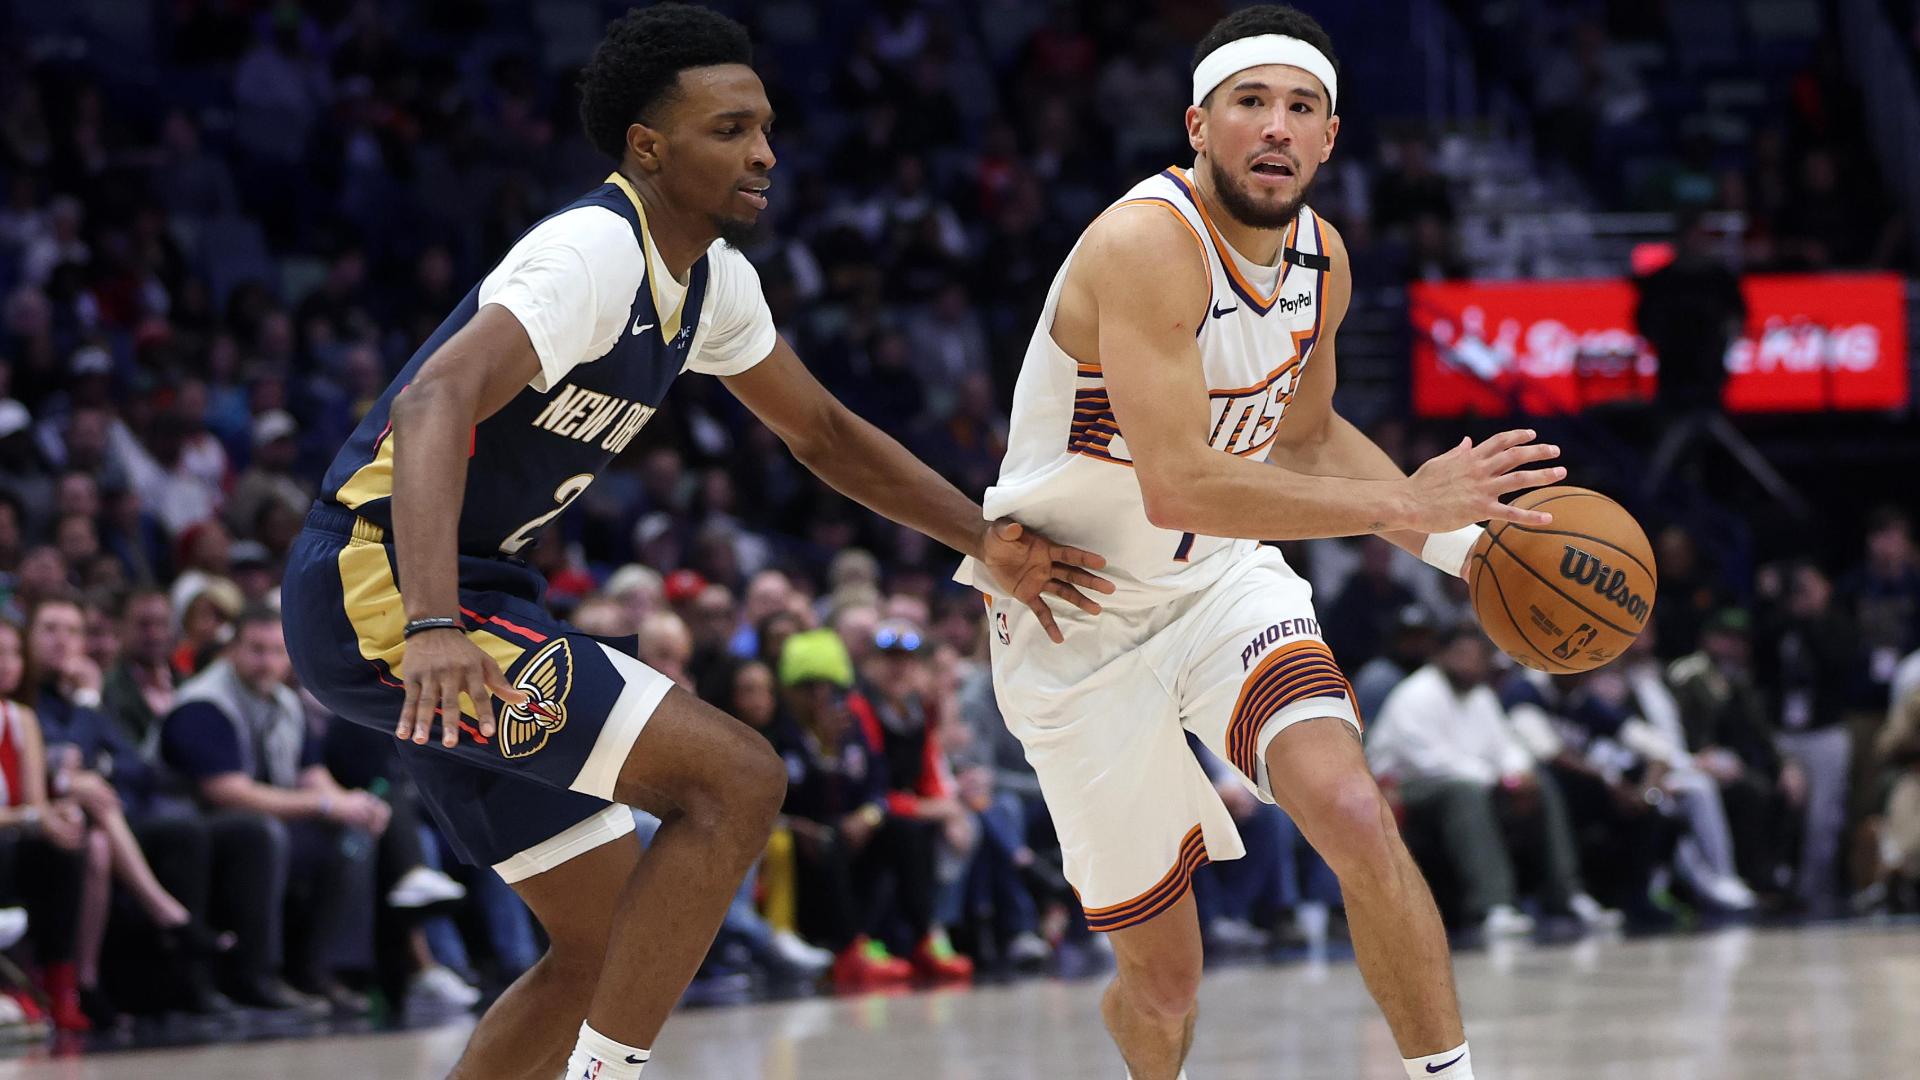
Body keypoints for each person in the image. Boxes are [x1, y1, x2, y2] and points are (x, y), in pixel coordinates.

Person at [277, 8, 1105, 1078]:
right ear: (648, 146)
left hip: (476, 596)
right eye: (730, 128)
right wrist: (433, 623)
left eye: (766, 127)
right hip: (382, 586)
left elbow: (822, 433)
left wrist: (986, 542)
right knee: (737, 781)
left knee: (604, 945)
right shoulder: (592, 252)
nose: (764, 150)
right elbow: (434, 398)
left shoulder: (712, 284)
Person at [957, 7, 1567, 1078]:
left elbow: (1309, 435)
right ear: (1198, 124)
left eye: (1302, 108)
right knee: (1165, 987)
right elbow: (1181, 481)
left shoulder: (1321, 258)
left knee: (1352, 809)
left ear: (1332, 137)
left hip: (1221, 587)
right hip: (1075, 620)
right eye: (1250, 103)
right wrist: (1397, 511)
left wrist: (1465, 549)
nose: (1276, 128)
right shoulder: (1145, 244)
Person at [1368, 629, 1620, 936]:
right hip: (1405, 791)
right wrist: (1499, 781)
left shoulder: (1482, 696)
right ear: (1441, 655)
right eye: (1462, 655)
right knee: (1465, 792)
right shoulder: (1416, 694)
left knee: (1540, 782)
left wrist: (1517, 774)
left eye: (1477, 657)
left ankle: (1567, 894)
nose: (1470, 664)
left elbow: (1507, 746)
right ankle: (1492, 906)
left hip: (1476, 784)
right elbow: (1430, 761)